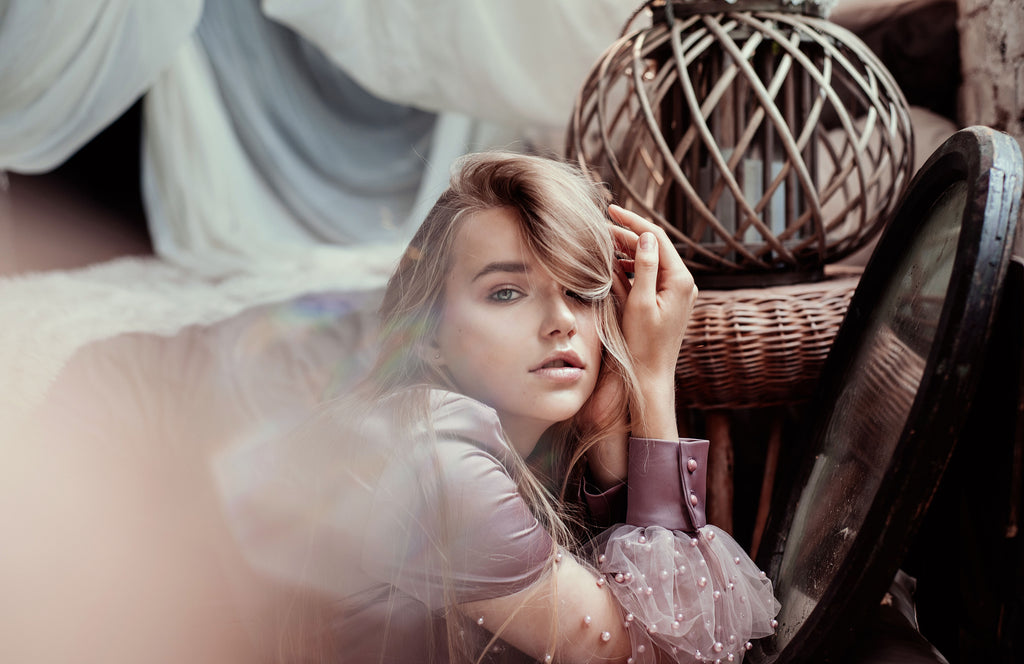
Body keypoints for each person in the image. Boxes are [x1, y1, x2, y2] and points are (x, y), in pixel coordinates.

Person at [218, 152, 780, 663]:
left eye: (581, 291)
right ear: (429, 333)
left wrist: (611, 428)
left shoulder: (517, 446)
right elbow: (674, 655)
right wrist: (652, 380)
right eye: (506, 292)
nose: (561, 320)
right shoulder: (437, 467)